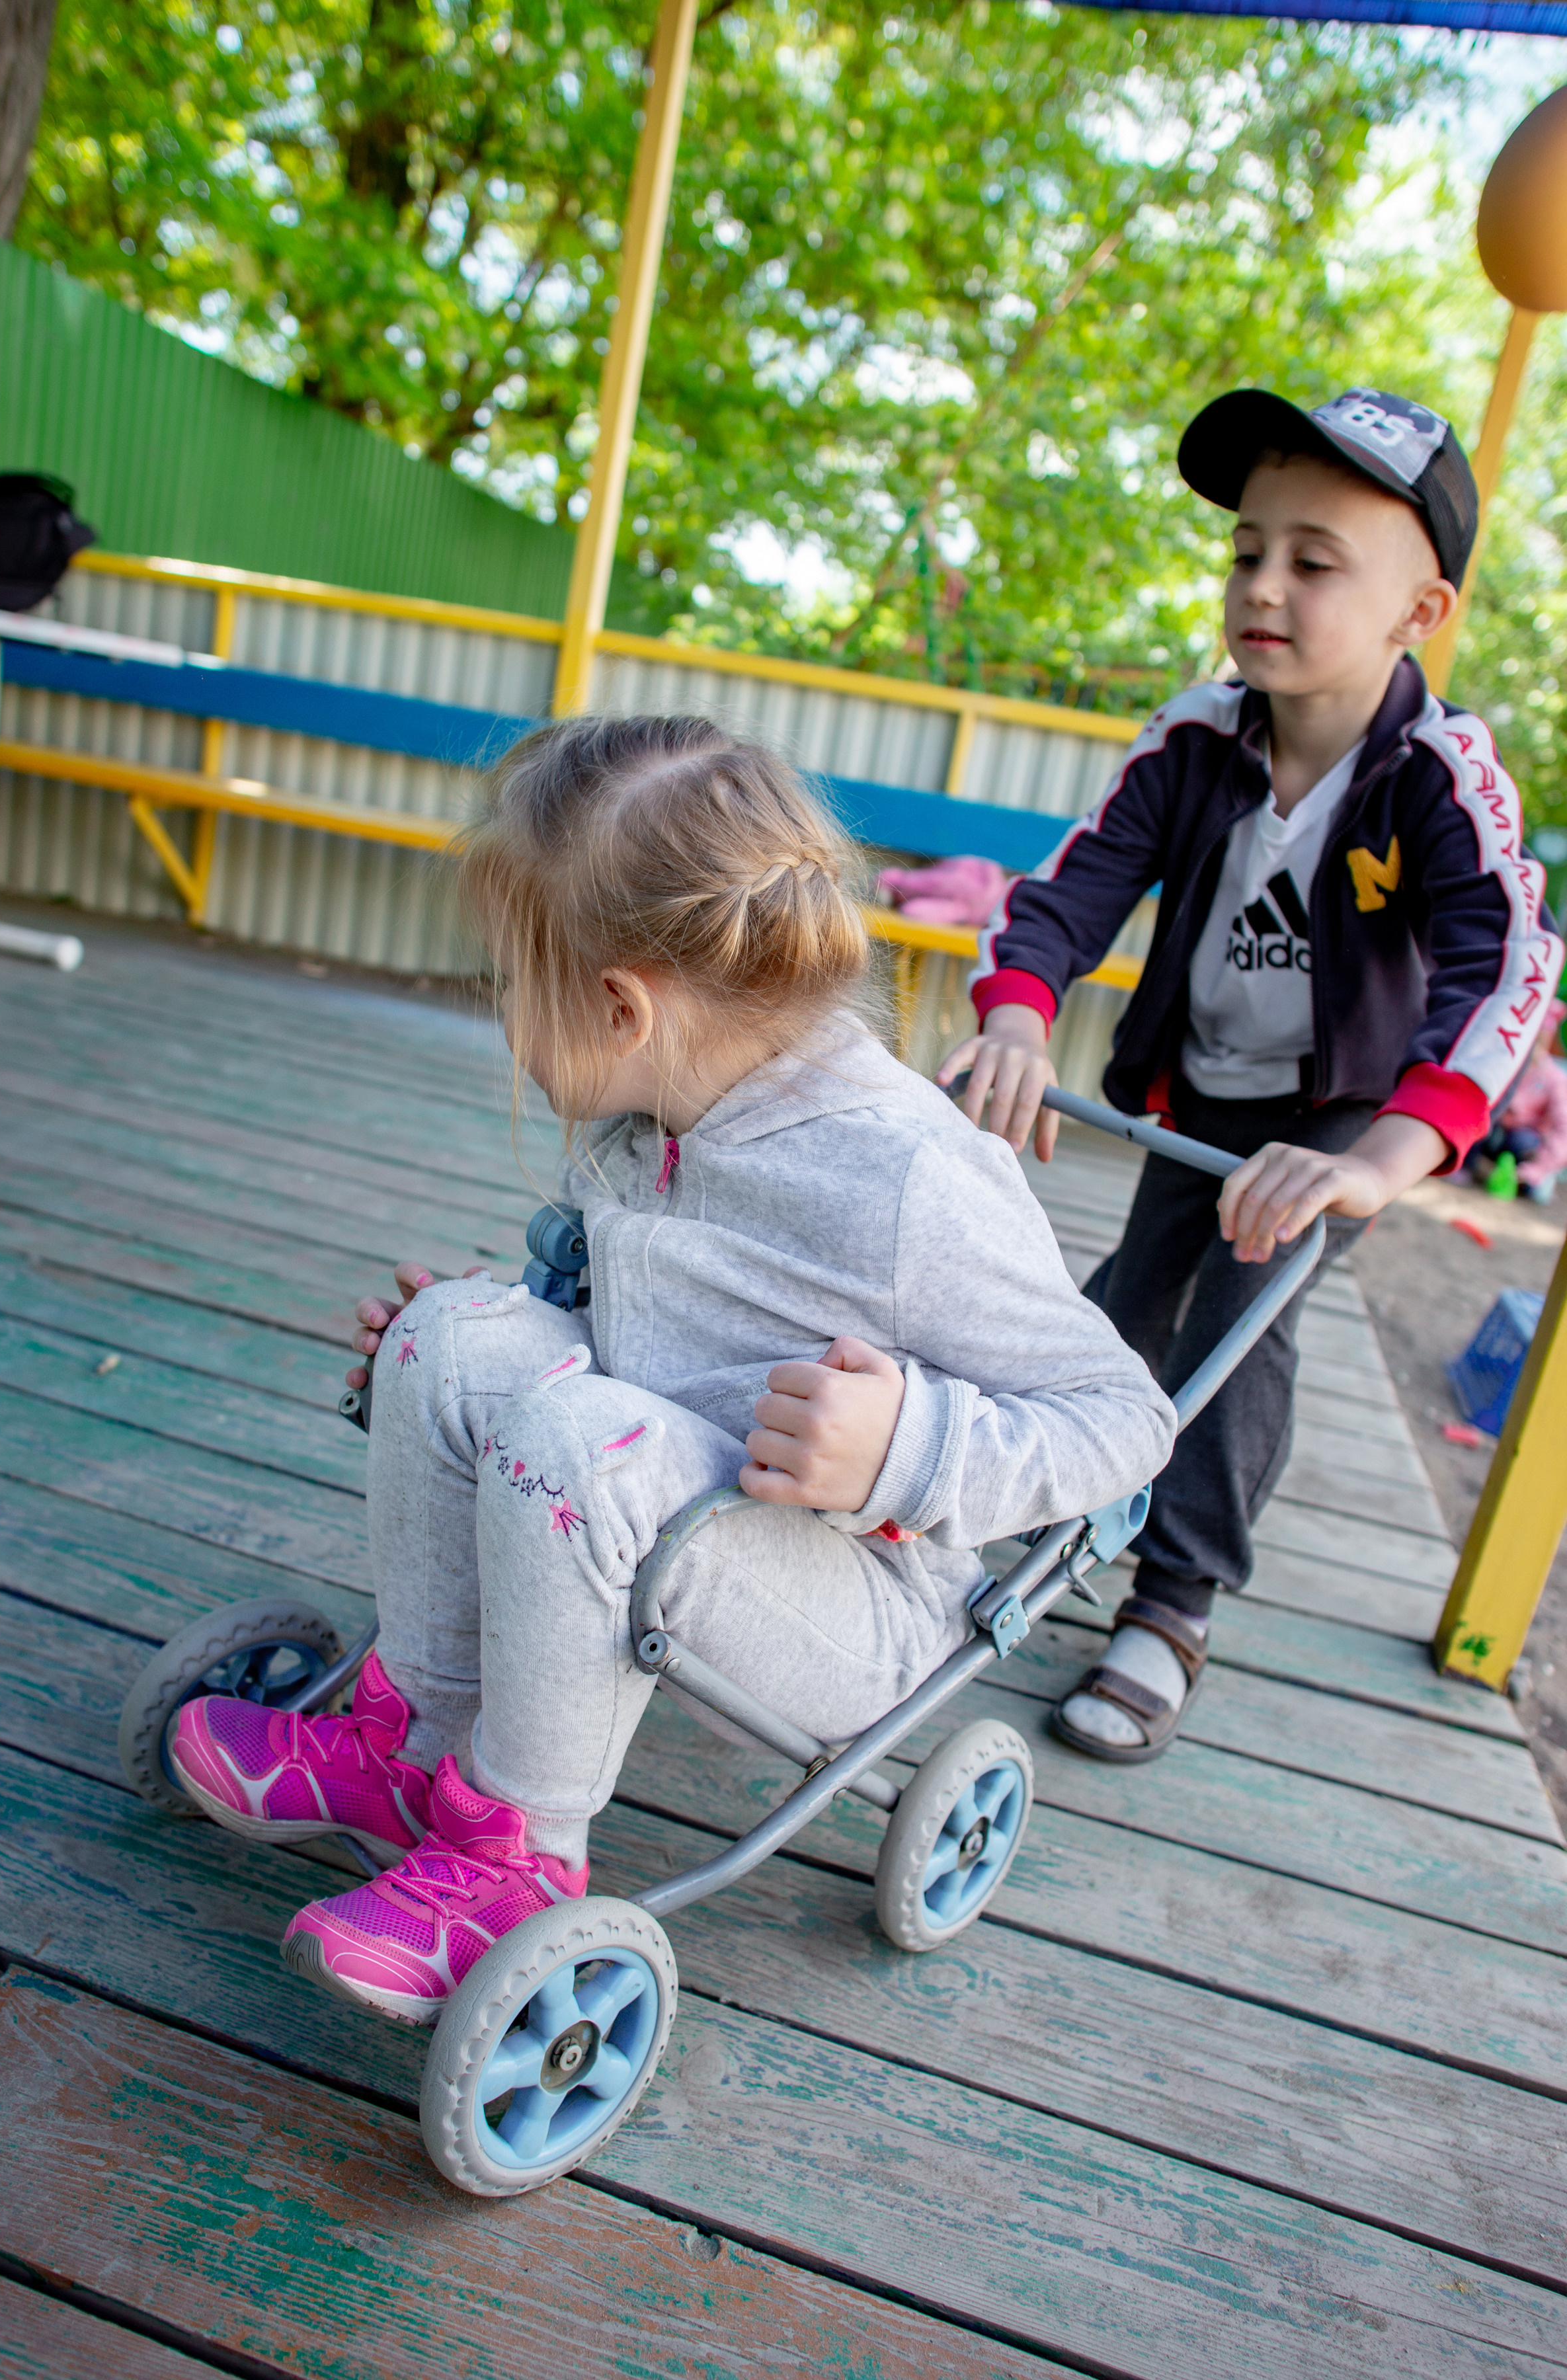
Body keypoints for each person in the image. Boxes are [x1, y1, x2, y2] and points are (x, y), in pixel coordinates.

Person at [167, 715, 1176, 2024]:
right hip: (659, 1496)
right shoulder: (666, 1107)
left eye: (509, 984)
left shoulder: (907, 1180)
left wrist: (908, 1446)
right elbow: (648, 1332)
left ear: (621, 1008)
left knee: (578, 1443)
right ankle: (410, 1744)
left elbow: (1126, 1419)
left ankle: (516, 1857)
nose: (504, 1014)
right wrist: (474, 1346)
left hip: (855, 1606)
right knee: (451, 1335)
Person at [943, 386, 1563, 1763]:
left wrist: (1383, 1158)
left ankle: (1173, 1604)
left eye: (1314, 561)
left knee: (1238, 1318)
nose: (1262, 586)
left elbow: (1509, 967)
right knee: (1120, 1304)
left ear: (1420, 612)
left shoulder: (1438, 776)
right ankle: (1042, 1508)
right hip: (1203, 1090)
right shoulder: (1198, 739)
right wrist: (1020, 1018)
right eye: (1246, 551)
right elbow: (1073, 886)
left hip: (1335, 1119)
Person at [1463, 996, 1567, 1203]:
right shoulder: (1503, 1062)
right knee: (1479, 1116)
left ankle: (1528, 1179)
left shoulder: (1554, 1079)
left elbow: (1563, 1130)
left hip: (1523, 1141)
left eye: (1539, 1040)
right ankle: (1466, 1166)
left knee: (1523, 1142)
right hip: (1494, 1132)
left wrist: (1535, 1171)